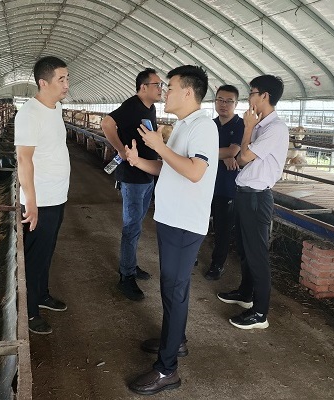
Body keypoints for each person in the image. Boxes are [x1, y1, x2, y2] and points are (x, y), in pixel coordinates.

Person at [124, 65, 218, 395]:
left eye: (171, 87)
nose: (165, 92)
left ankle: (167, 370)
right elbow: (170, 167)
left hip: (184, 223)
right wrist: (138, 161)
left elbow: (194, 172)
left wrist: (159, 144)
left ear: (188, 92)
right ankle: (174, 340)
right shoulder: (184, 125)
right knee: (172, 289)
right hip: (172, 219)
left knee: (174, 290)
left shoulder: (203, 127)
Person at [216, 75, 289, 330]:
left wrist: (247, 129)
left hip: (257, 197)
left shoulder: (274, 128)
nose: (250, 98)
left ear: (264, 96)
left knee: (257, 255)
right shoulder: (260, 125)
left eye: (252, 93)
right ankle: (245, 294)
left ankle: (260, 313)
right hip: (245, 193)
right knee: (245, 249)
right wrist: (250, 129)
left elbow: (244, 157)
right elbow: (242, 157)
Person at [14, 56, 70, 335]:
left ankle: (42, 294)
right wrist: (31, 203)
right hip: (40, 201)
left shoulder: (56, 108)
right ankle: (29, 311)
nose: (67, 84)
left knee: (46, 252)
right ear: (43, 83)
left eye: (67, 78)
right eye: (62, 79)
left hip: (57, 196)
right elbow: (24, 160)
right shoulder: (29, 114)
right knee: (34, 257)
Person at [101, 68, 164, 301]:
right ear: (143, 87)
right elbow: (106, 123)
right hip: (133, 177)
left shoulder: (150, 108)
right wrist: (120, 150)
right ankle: (126, 276)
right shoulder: (132, 105)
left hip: (147, 175)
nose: (161, 89)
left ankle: (131, 264)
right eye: (157, 85)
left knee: (137, 224)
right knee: (131, 226)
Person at [204, 85, 244, 280]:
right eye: (220, 100)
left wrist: (226, 153)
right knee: (200, 221)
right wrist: (224, 154)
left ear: (236, 104)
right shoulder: (210, 125)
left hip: (227, 186)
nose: (224, 104)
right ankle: (192, 256)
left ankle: (217, 265)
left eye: (229, 101)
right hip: (205, 183)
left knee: (222, 229)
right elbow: (225, 151)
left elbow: (233, 151)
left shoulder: (240, 125)